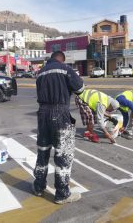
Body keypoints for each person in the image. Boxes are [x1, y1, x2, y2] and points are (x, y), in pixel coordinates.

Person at [33, 50, 84, 204]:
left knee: (42, 152)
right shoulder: (65, 69)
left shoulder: (40, 73)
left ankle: (39, 187)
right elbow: (80, 89)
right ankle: (62, 194)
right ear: (62, 60)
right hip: (60, 113)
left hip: (42, 114)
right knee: (63, 154)